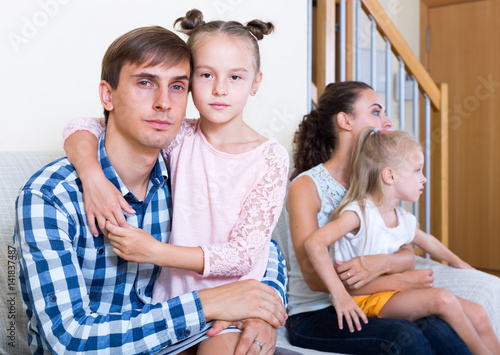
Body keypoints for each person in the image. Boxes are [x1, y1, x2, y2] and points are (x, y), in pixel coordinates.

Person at [14, 25, 287, 355]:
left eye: (176, 86)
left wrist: (263, 306)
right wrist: (91, 174)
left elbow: (260, 244)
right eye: (145, 83)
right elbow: (70, 342)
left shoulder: (175, 169)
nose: (163, 103)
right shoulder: (50, 198)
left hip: (185, 336)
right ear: (107, 95)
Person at [284, 81, 473, 354]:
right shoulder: (306, 187)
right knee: (401, 335)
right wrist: (399, 280)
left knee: (437, 326)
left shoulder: (375, 182)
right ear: (345, 120)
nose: (387, 121)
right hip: (316, 313)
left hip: (371, 299)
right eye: (376, 112)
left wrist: (382, 262)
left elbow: (405, 248)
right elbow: (314, 280)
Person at [304, 128, 500, 355]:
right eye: (417, 170)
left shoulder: (403, 219)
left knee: (478, 313)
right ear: (390, 176)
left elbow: (428, 242)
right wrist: (339, 295)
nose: (424, 178)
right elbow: (314, 243)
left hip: (391, 293)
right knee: (442, 299)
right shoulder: (360, 213)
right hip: (363, 298)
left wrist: (459, 262)